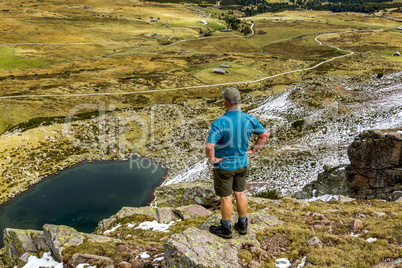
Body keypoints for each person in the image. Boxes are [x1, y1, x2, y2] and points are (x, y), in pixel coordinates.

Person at [206, 87, 269, 239]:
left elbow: (209, 146)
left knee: (226, 197)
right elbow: (264, 135)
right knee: (240, 193)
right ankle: (242, 224)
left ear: (225, 102)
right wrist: (253, 150)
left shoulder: (219, 122)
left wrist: (212, 160)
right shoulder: (249, 119)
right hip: (242, 163)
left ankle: (226, 228)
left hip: (225, 166)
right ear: (239, 102)